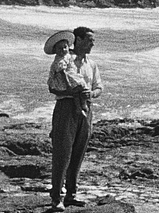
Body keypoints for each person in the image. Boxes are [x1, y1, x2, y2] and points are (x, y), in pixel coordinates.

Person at [47, 27, 103, 212]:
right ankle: (57, 197)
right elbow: (52, 86)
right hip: (66, 107)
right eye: (89, 40)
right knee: (62, 153)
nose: (92, 44)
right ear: (77, 40)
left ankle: (71, 193)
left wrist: (91, 93)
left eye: (93, 41)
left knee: (79, 151)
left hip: (86, 107)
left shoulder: (92, 64)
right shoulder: (64, 59)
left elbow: (99, 87)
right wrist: (70, 92)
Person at [44, 30, 89, 117]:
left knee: (81, 88)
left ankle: (82, 105)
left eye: (65, 47)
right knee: (78, 87)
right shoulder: (59, 60)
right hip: (63, 79)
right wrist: (68, 84)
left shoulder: (67, 55)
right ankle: (79, 107)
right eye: (59, 48)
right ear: (55, 50)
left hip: (68, 75)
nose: (63, 50)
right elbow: (62, 73)